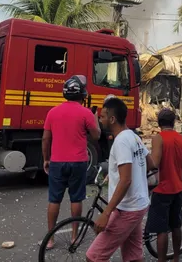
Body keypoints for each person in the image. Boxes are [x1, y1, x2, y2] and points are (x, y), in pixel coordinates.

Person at [86, 97, 155, 262]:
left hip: (128, 209)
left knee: (94, 257)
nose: (100, 120)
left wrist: (106, 213)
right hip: (138, 204)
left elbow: (126, 180)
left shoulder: (121, 141)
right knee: (133, 256)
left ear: (112, 119)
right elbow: (150, 163)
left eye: (102, 117)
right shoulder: (133, 136)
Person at [42, 75, 100, 249]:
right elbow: (96, 136)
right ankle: (74, 236)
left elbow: (46, 139)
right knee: (76, 198)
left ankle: (50, 239)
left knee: (54, 200)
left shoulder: (53, 112)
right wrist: (94, 117)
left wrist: (46, 159)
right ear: (82, 94)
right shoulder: (86, 113)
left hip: (57, 162)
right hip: (79, 162)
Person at [146, 108, 182, 262]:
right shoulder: (180, 139)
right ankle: (176, 257)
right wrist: (176, 173)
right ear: (173, 122)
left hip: (162, 190)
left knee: (161, 230)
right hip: (178, 188)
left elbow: (154, 163)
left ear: (159, 123)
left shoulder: (159, 138)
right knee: (176, 225)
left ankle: (162, 260)